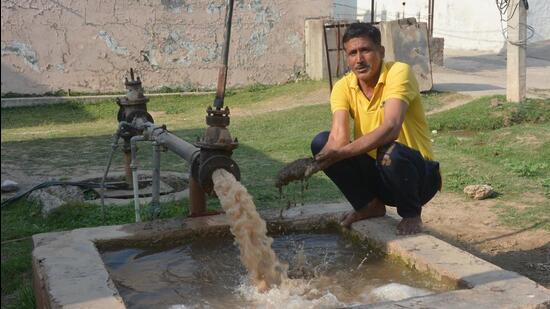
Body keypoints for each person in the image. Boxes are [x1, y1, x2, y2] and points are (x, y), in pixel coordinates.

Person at [311, 22, 441, 235]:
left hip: (418, 178)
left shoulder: (399, 72)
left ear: (380, 51)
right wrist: (314, 162)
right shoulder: (343, 87)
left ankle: (411, 214)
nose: (359, 60)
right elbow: (338, 139)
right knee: (320, 142)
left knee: (390, 151)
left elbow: (391, 128)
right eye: (352, 53)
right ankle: (368, 205)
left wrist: (340, 153)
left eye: (365, 50)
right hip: (380, 175)